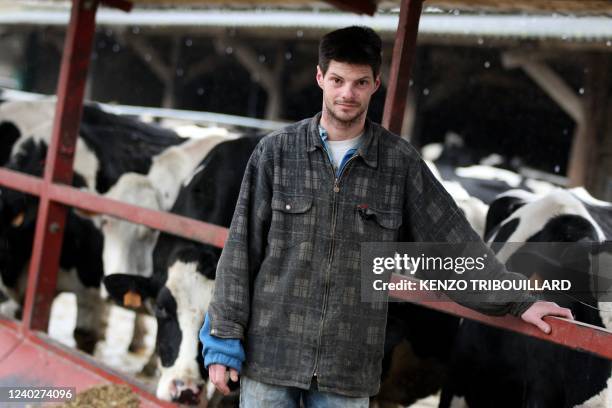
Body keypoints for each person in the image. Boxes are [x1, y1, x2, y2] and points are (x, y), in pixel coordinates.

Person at [199, 25, 573, 407]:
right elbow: (241, 252)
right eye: (338, 80)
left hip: (346, 370)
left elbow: (450, 246)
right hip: (271, 357)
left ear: (376, 84)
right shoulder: (275, 153)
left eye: (360, 82)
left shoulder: (399, 163)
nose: (347, 93)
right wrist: (223, 340)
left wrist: (520, 300)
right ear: (320, 78)